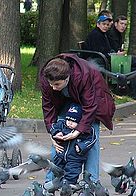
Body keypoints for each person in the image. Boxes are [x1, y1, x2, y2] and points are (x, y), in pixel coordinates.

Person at [40, 53, 115, 182]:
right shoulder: (47, 79)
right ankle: (52, 181)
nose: (53, 87)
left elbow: (90, 107)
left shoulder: (84, 76)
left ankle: (91, 182)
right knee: (59, 134)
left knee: (90, 138)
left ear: (66, 78)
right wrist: (53, 131)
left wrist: (78, 131)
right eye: (51, 84)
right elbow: (48, 107)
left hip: (93, 100)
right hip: (66, 100)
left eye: (57, 84)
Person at [50, 103, 97, 185]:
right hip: (61, 155)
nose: (69, 123)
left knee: (72, 173)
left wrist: (81, 147)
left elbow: (91, 140)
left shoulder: (86, 131)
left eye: (73, 121)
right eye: (68, 120)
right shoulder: (63, 125)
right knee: (57, 170)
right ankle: (58, 184)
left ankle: (68, 186)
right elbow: (53, 127)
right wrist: (57, 133)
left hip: (75, 158)